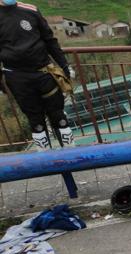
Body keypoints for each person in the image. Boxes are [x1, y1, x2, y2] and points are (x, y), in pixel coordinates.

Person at [0, 0, 74, 150]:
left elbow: (49, 40)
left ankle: (73, 155)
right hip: (17, 78)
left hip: (44, 73)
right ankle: (45, 160)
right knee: (36, 122)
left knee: (59, 117)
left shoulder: (31, 10)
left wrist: (65, 66)